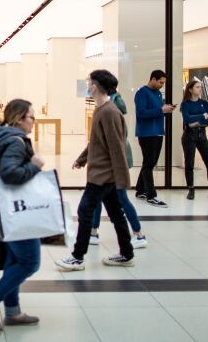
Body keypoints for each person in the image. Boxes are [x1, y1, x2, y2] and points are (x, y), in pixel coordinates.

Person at [55, 70, 134, 271]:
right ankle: (127, 253)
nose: (87, 86)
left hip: (103, 175)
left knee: (85, 210)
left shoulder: (109, 112)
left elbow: (117, 148)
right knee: (116, 213)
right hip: (102, 173)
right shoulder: (101, 109)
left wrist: (122, 179)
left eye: (89, 83)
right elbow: (97, 142)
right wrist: (82, 159)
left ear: (96, 86)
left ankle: (77, 257)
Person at [0, 99, 45, 332]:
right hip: (16, 212)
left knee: (14, 260)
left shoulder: (3, 137)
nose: (34, 122)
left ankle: (13, 312)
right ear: (18, 119)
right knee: (30, 262)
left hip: (3, 209)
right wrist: (34, 166)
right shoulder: (16, 142)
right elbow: (9, 174)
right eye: (31, 117)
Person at [89, 91, 148, 249]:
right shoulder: (108, 108)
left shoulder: (110, 111)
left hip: (113, 165)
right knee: (99, 198)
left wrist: (118, 172)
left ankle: (138, 234)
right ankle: (93, 232)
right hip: (109, 164)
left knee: (120, 199)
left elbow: (113, 145)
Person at [134, 70, 175, 208]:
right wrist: (161, 110)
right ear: (153, 79)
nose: (162, 85)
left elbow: (158, 111)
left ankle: (140, 191)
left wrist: (166, 110)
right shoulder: (141, 93)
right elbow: (141, 113)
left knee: (149, 162)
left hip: (158, 132)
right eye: (160, 82)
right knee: (149, 164)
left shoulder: (157, 94)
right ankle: (151, 195)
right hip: (146, 134)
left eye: (163, 83)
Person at [180, 80, 208, 201]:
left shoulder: (204, 103)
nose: (200, 89)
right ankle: (191, 189)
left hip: (202, 136)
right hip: (189, 137)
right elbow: (188, 120)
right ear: (190, 89)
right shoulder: (185, 104)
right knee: (189, 164)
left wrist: (196, 121)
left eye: (200, 87)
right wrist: (201, 116)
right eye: (197, 87)